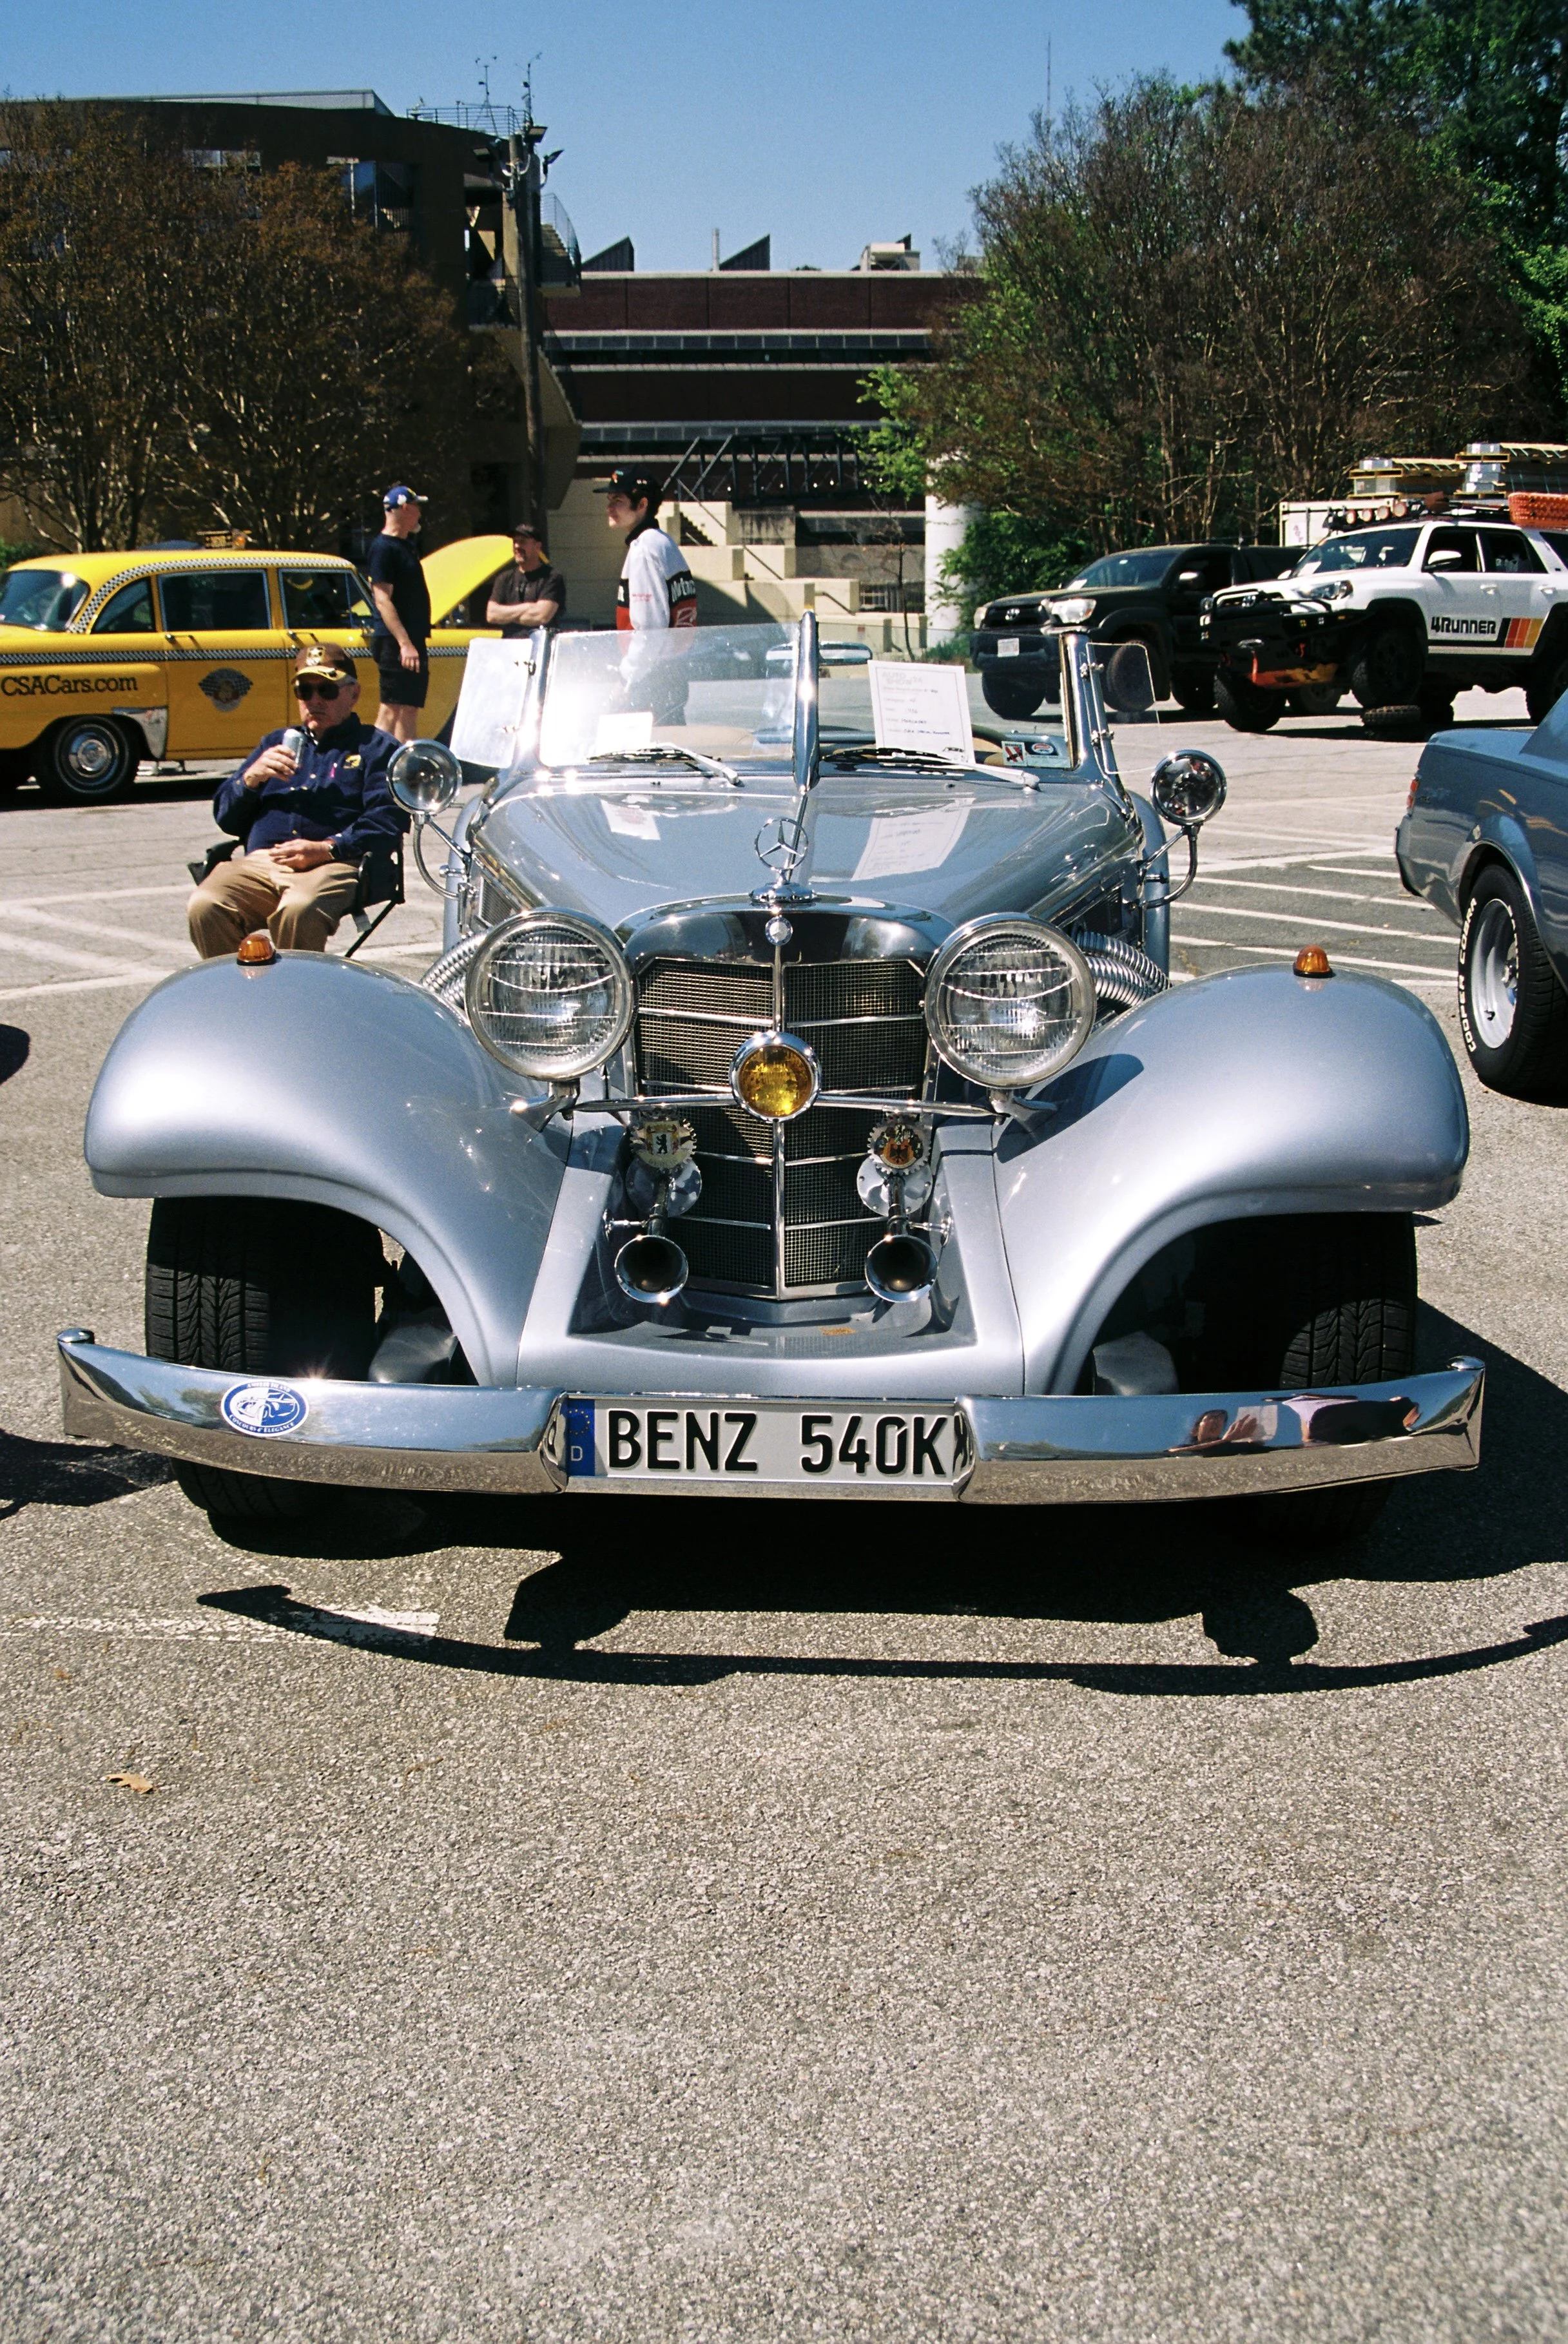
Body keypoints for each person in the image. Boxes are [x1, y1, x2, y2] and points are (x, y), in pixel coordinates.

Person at [187, 643, 403, 957]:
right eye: (304, 690)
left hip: (333, 862)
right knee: (205, 904)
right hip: (264, 861)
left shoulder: (374, 747)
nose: (314, 701)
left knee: (298, 908)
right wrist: (250, 780)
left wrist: (327, 848)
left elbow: (387, 821)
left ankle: (295, 998)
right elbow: (227, 819)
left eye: (327, 690)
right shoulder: (275, 742)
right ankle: (238, 996)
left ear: (353, 694)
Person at [367, 484, 432, 742]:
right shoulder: (383, 548)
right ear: (406, 508)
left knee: (410, 707)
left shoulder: (407, 546)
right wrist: (404, 643)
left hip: (413, 639)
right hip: (396, 642)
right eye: (417, 508)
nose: (419, 514)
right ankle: (372, 768)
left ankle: (404, 768)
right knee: (391, 706)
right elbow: (382, 599)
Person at [596, 468, 697, 632]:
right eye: (609, 500)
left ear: (642, 504)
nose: (609, 508)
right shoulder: (664, 542)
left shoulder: (644, 549)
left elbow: (648, 631)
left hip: (654, 657)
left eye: (617, 500)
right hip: (676, 655)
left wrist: (631, 659)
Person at [485, 522, 566, 638]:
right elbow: (492, 615)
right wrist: (528, 607)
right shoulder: (504, 578)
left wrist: (507, 615)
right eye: (515, 542)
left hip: (541, 648)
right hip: (510, 647)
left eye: (522, 542)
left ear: (537, 546)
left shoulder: (552, 577)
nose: (517, 546)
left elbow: (542, 616)